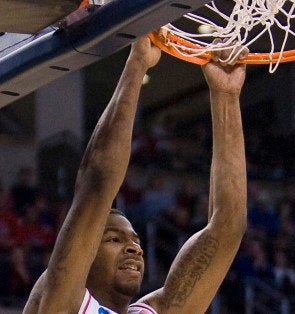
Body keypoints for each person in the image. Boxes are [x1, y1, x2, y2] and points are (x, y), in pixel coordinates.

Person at [23, 36, 248, 314]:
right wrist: (137, 64)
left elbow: (227, 228)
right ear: (87, 251)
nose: (134, 249)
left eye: (136, 241)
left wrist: (226, 97)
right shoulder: (61, 299)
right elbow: (96, 185)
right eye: (114, 240)